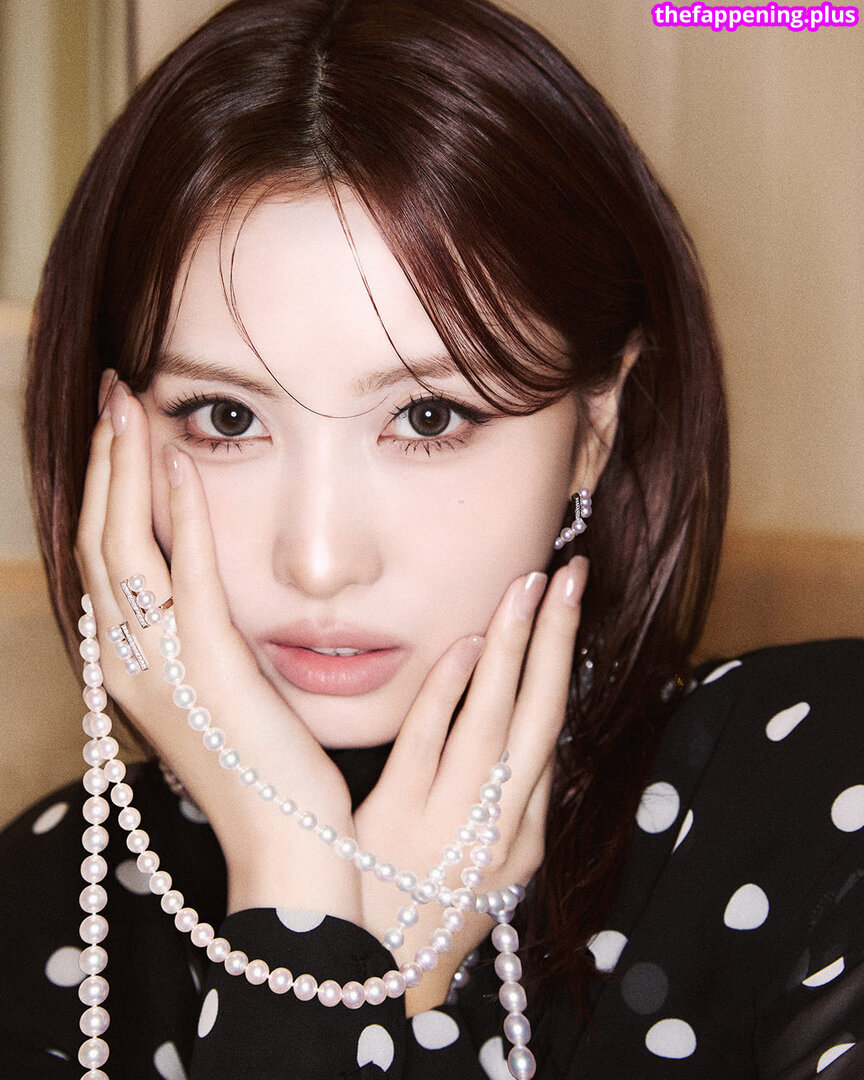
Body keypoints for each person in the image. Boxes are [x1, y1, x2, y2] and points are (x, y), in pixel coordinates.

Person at [2, 0, 863, 1077]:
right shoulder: (49, 910)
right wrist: (304, 906)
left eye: (426, 417)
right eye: (225, 418)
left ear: (594, 430)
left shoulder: (818, 791)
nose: (319, 560)